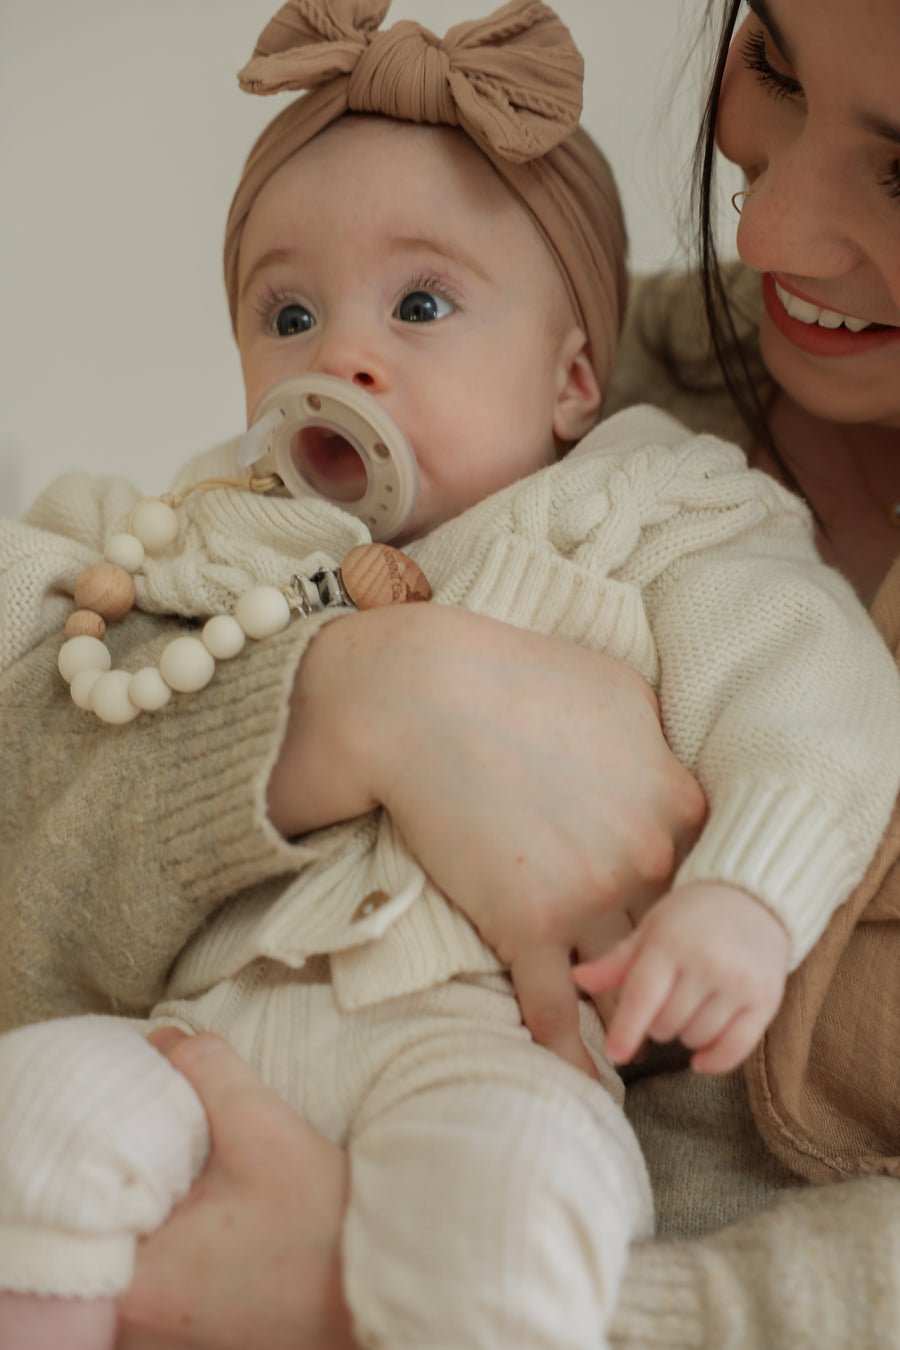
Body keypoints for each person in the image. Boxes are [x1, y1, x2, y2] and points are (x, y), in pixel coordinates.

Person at [3, 0, 900, 1347]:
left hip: (480, 1055)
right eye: (287, 309)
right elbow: (39, 658)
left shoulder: (651, 505)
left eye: (418, 303)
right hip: (203, 1038)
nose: (339, 355)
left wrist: (745, 899)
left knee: (498, 1205)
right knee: (35, 1126)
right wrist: (354, 695)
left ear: (569, 382)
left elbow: (801, 699)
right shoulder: (218, 518)